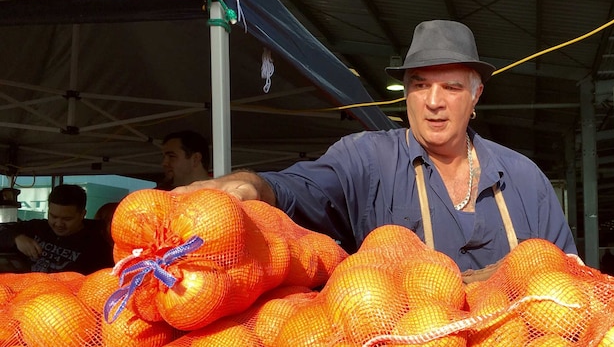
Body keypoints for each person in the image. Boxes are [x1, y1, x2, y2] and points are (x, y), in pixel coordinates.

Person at [175, 20, 577, 271]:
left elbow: (567, 276)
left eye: (451, 87)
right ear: (407, 94)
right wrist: (254, 186)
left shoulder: (524, 178)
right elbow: (301, 189)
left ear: (476, 96)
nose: (433, 101)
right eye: (420, 85)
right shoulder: (367, 159)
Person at [0, 184, 114, 274]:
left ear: (82, 214)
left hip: (63, 298)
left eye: (67, 219)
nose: (58, 224)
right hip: (24, 290)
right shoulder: (36, 227)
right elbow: (3, 229)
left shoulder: (97, 246)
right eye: (53, 216)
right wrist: (16, 238)